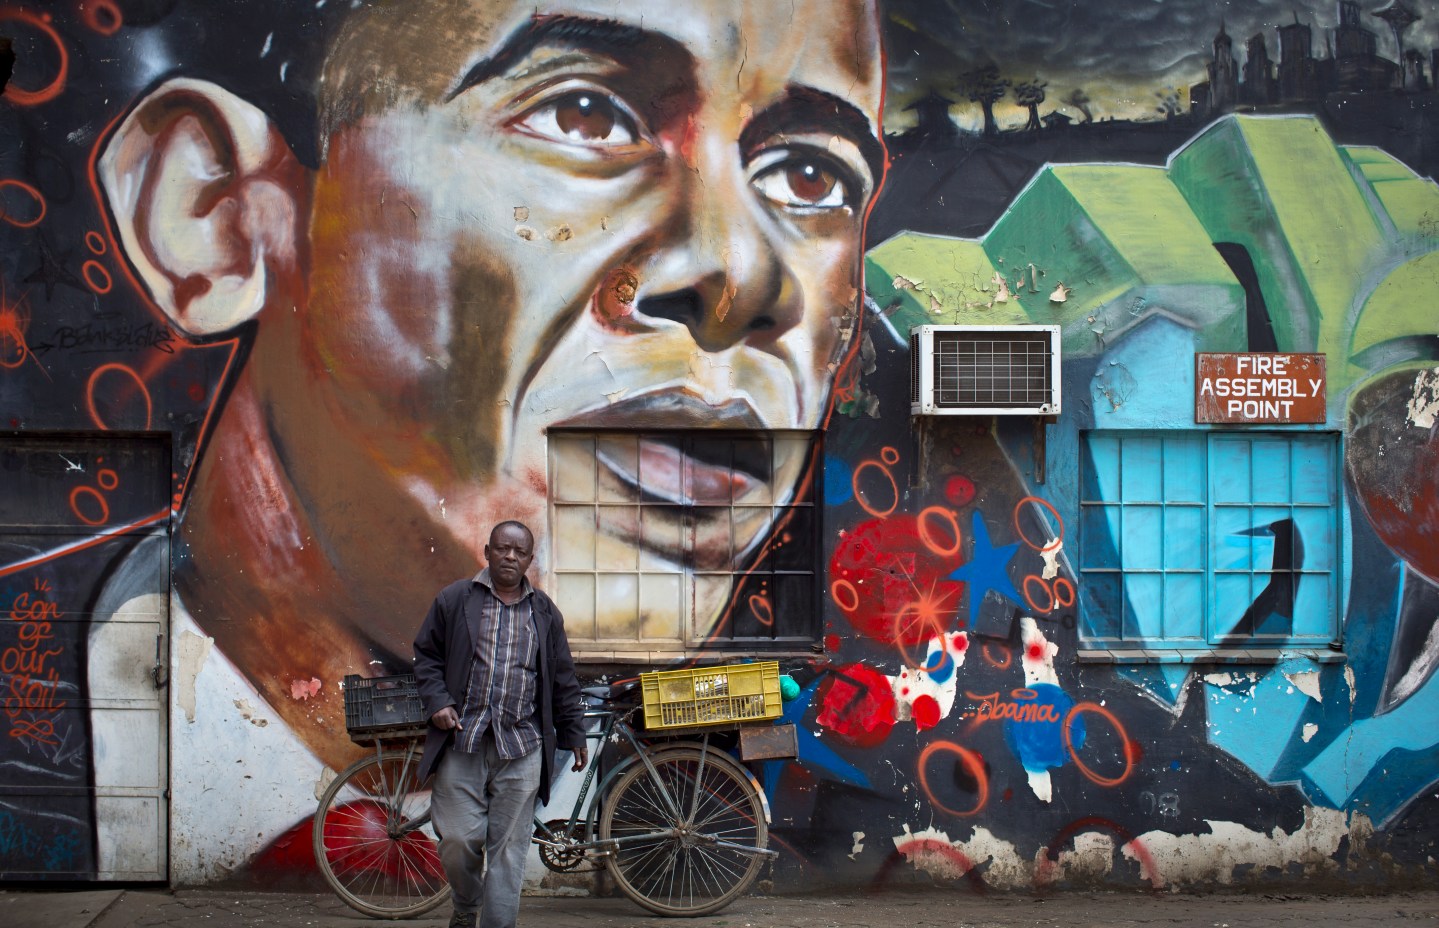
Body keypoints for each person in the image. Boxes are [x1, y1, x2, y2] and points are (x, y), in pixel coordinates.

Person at [95, 0, 886, 780]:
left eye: (810, 176)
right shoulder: (49, 768)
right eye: (583, 117)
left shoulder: (680, 828)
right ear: (217, 220)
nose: (742, 279)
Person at [413, 520, 588, 928]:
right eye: (502, 548)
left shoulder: (543, 611)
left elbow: (563, 677)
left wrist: (574, 731)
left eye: (519, 551)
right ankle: (465, 904)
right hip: (463, 741)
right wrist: (438, 701)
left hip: (522, 747)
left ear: (529, 560)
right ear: (487, 550)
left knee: (508, 851)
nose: (510, 556)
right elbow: (426, 656)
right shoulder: (455, 599)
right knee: (458, 839)